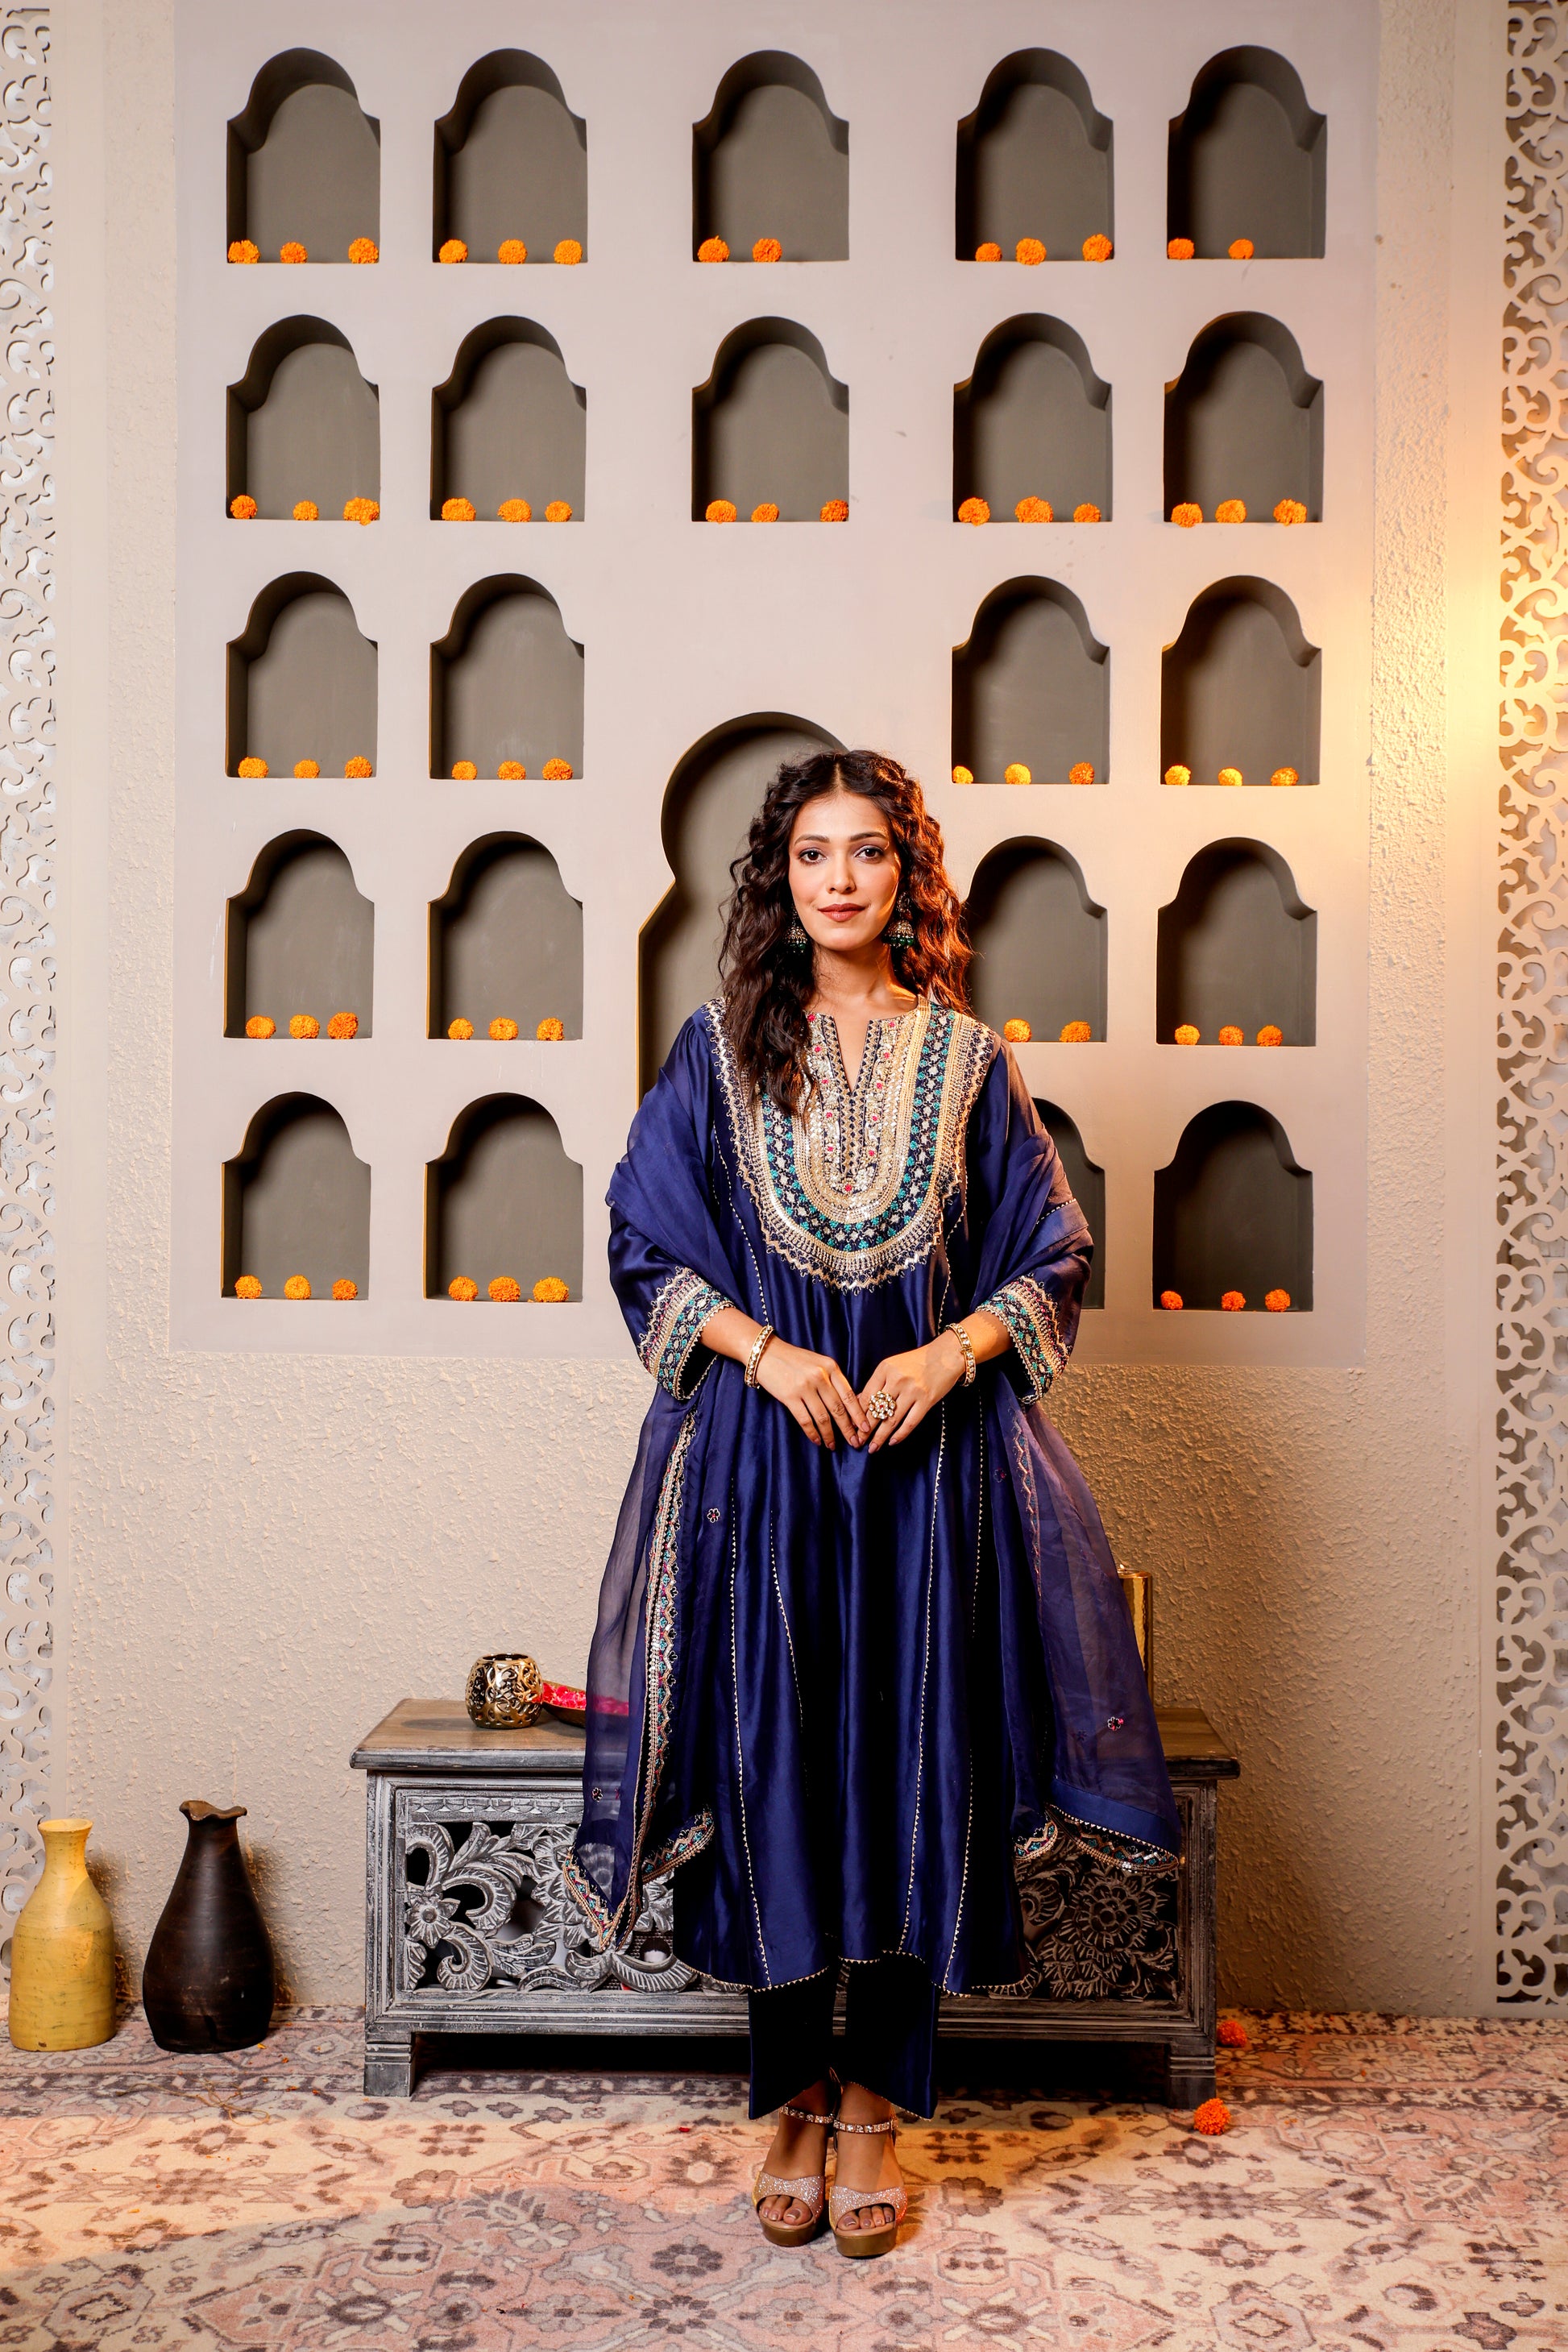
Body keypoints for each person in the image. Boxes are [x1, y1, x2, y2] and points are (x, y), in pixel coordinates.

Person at [566, 749, 1177, 2258]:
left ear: (907, 878)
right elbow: (643, 1245)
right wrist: (769, 1355)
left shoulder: (967, 1063)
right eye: (812, 853)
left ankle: (873, 2110)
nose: (839, 878)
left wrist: (948, 1352)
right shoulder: (715, 1055)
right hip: (766, 1470)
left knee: (914, 1775)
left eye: (867, 853)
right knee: (773, 1770)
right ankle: (787, 2096)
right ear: (779, 880)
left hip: (926, 1478)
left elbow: (1052, 1253)